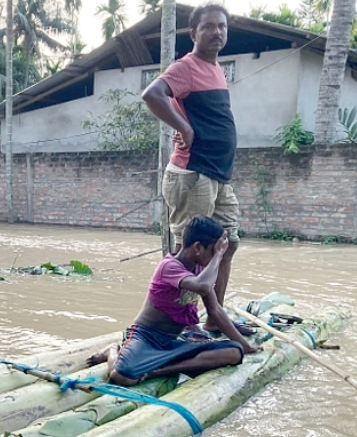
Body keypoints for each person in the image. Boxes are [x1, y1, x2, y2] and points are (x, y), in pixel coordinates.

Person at [141, 3, 251, 336]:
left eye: (222, 26)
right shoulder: (186, 67)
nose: (217, 32)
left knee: (227, 245)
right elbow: (152, 94)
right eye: (209, 26)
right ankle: (184, 325)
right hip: (192, 176)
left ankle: (214, 318)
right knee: (191, 256)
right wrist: (183, 128)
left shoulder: (216, 69)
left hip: (217, 177)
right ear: (194, 33)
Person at [87, 215, 261, 387]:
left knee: (234, 352)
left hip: (175, 340)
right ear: (198, 247)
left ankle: (158, 370)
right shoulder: (169, 267)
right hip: (147, 338)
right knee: (122, 376)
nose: (218, 257)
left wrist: (245, 346)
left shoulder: (200, 269)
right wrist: (218, 256)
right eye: (213, 251)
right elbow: (202, 286)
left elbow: (215, 310)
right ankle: (112, 351)